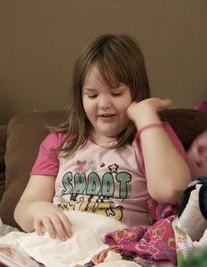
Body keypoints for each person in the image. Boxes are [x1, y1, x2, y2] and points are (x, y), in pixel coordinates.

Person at [14, 34, 191, 241]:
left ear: (136, 92)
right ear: (80, 97)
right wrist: (37, 209)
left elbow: (173, 191)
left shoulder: (150, 136)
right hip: (59, 246)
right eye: (92, 95)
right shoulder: (60, 141)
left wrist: (146, 119)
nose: (104, 103)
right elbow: (23, 210)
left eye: (116, 93)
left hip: (115, 249)